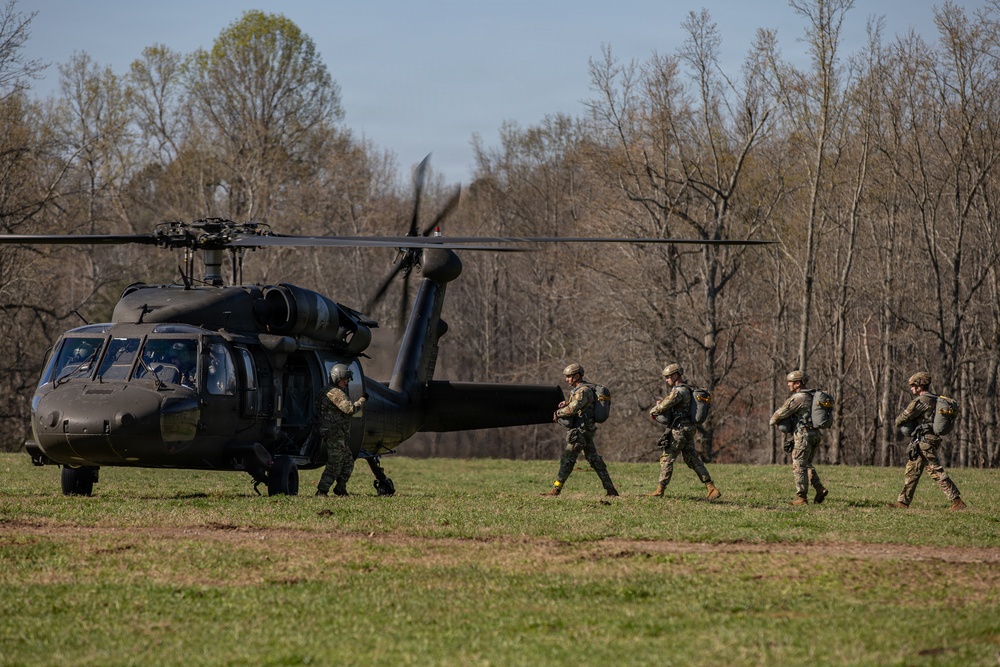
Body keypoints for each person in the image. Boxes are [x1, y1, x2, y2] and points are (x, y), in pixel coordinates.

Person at [891, 372, 966, 511]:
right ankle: (902, 502)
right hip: (925, 440)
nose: (912, 389)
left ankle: (957, 501)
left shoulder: (921, 401)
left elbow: (900, 419)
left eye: (913, 386)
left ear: (920, 386)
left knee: (935, 471)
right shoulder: (935, 398)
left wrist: (907, 421)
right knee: (912, 471)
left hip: (924, 441)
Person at [542, 363, 619, 497]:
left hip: (581, 432)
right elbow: (576, 406)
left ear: (577, 376)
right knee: (595, 460)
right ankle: (611, 490)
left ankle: (556, 489)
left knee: (567, 459)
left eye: (569, 376)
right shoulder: (580, 390)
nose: (567, 379)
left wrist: (558, 413)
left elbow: (574, 408)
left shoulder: (583, 391)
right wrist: (566, 404)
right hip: (585, 430)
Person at [647, 364, 721, 501]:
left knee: (667, 458)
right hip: (689, 429)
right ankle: (711, 487)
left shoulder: (679, 391)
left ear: (676, 375)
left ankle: (659, 490)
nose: (666, 380)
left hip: (679, 430)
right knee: (692, 459)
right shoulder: (688, 389)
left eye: (669, 377)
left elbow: (665, 405)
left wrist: (654, 409)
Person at [769, 370, 829, 506]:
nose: (788, 385)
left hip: (803, 436)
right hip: (815, 435)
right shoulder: (813, 396)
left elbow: (781, 413)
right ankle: (820, 489)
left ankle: (801, 498)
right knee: (806, 464)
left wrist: (773, 420)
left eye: (790, 382)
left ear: (797, 383)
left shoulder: (798, 398)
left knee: (798, 466)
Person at [315, 364, 366, 497]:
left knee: (348, 461)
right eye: (344, 379)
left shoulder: (330, 391)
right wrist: (361, 401)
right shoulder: (334, 392)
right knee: (335, 463)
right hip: (334, 433)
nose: (346, 382)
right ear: (336, 378)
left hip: (338, 433)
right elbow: (349, 409)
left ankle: (340, 488)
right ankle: (322, 491)